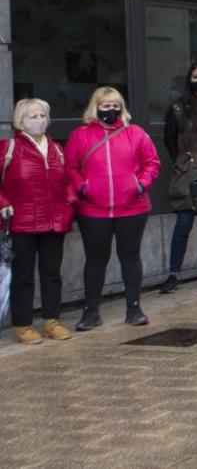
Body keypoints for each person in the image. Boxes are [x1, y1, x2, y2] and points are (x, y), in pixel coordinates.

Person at [66, 86, 162, 330]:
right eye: (105, 105)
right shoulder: (80, 135)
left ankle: (134, 307)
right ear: (95, 107)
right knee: (95, 260)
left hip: (132, 207)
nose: (111, 109)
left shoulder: (136, 133)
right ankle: (91, 312)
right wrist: (83, 188)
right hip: (93, 210)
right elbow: (71, 168)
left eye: (115, 104)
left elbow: (151, 163)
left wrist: (140, 184)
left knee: (130, 257)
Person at [0, 99, 74, 344]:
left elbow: (67, 181)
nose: (40, 120)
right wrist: (3, 204)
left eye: (43, 115)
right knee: (23, 276)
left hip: (54, 221)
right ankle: (23, 325)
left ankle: (52, 321)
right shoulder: (9, 148)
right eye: (34, 116)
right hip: (23, 222)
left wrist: (69, 201)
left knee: (52, 274)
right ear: (21, 121)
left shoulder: (56, 149)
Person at [159, 62, 197, 294]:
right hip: (187, 171)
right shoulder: (177, 108)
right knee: (183, 223)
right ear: (189, 80)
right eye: (196, 76)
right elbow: (169, 139)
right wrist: (185, 162)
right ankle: (173, 274)